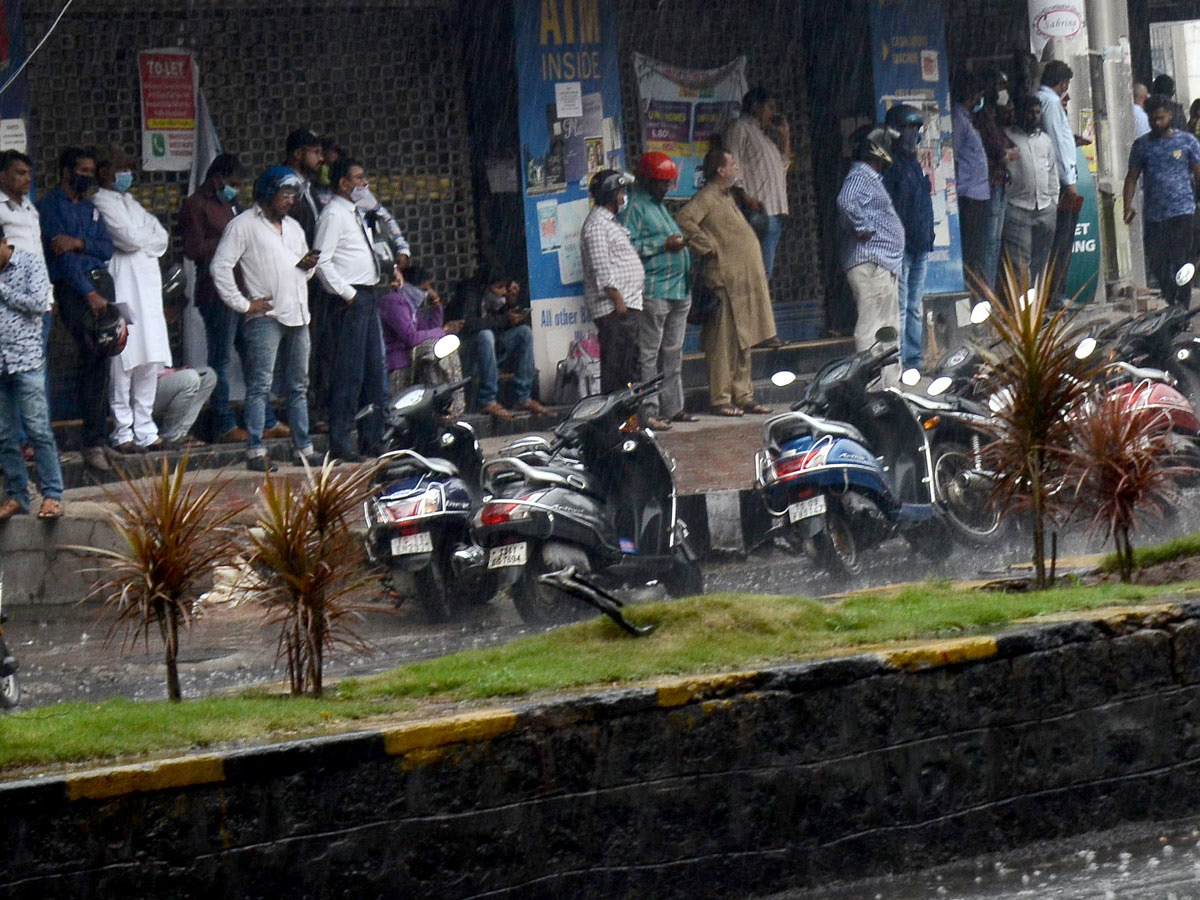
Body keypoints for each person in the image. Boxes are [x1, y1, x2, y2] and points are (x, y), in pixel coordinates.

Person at [210, 166, 319, 471]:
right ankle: (256, 450)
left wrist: (307, 265)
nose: (290, 200)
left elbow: (306, 269)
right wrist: (243, 304)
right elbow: (220, 267)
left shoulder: (295, 227)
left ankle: (304, 448)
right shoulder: (242, 225)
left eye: (293, 195)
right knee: (260, 385)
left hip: (297, 312)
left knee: (299, 385)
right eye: (285, 194)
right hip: (266, 315)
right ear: (269, 192)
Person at [181, 152, 287, 444]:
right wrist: (230, 242)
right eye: (232, 183)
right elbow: (193, 249)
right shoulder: (196, 205)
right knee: (221, 358)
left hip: (243, 291)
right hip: (216, 292)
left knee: (253, 357)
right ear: (217, 178)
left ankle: (264, 419)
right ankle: (223, 423)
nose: (235, 189)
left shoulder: (230, 205)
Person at [676, 148, 776, 417]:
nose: (736, 168)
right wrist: (706, 247)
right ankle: (721, 398)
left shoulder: (726, 196)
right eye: (732, 164)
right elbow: (685, 220)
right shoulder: (707, 196)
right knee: (722, 344)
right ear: (720, 170)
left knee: (745, 341)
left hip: (740, 283)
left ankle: (744, 395)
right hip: (723, 281)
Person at [37, 146, 115, 472]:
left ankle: (98, 438)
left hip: (101, 286)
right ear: (66, 171)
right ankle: (91, 442)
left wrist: (80, 242)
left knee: (103, 358)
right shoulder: (50, 206)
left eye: (90, 171)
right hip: (74, 291)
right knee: (91, 354)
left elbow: (106, 247)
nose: (87, 177)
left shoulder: (91, 208)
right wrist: (87, 294)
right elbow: (62, 257)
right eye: (82, 171)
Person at [92, 147, 171, 453]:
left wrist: (141, 236)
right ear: (105, 172)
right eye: (121, 166)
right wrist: (142, 236)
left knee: (149, 361)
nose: (127, 172)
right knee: (122, 362)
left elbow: (161, 237)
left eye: (129, 166)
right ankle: (123, 431)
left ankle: (146, 430)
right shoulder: (100, 201)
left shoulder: (131, 202)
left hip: (149, 295)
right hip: (123, 289)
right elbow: (129, 239)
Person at [313, 157, 388, 462]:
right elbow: (321, 260)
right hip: (351, 300)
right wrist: (347, 294)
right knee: (349, 374)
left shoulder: (355, 213)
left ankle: (373, 439)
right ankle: (341, 440)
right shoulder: (333, 214)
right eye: (358, 179)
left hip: (368, 296)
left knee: (373, 373)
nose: (363, 184)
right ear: (342, 183)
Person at [620, 152, 694, 428]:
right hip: (655, 289)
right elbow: (627, 249)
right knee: (650, 354)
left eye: (668, 183)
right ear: (648, 181)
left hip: (678, 289)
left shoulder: (659, 205)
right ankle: (649, 410)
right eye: (662, 183)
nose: (666, 188)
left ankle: (674, 407)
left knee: (673, 352)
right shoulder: (635, 208)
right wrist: (662, 246)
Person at [0, 225, 62, 519]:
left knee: (38, 431)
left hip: (26, 361)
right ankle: (18, 495)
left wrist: (1, 289)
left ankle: (52, 496)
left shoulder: (30, 263)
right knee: (3, 435)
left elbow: (40, 304)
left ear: (4, 242)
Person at [1123, 94, 1200, 308]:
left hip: (1182, 212)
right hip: (1155, 214)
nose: (1157, 123)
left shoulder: (1187, 141)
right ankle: (1169, 295)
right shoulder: (1142, 145)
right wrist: (1127, 206)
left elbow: (1198, 171)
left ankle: (1182, 305)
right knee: (1157, 261)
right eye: (1153, 119)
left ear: (1170, 116)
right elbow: (1132, 177)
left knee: (1181, 260)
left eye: (1161, 118)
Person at [0, 151, 53, 456]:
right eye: (19, 173)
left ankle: (35, 437)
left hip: (37, 300)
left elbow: (37, 256)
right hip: (9, 303)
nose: (27, 178)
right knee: (13, 373)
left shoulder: (29, 208)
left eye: (28, 173)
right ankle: (19, 440)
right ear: (3, 175)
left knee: (35, 370)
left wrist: (47, 295)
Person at [835, 126, 905, 355]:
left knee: (886, 328)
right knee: (872, 326)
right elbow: (846, 200)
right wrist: (862, 227)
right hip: (873, 262)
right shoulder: (861, 174)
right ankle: (871, 384)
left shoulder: (868, 176)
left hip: (880, 263)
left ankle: (888, 384)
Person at [581, 169, 645, 395]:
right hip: (615, 310)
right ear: (611, 195)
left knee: (629, 370)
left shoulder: (610, 223)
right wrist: (619, 302)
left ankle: (630, 422)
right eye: (621, 191)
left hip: (626, 307)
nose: (623, 196)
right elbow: (601, 268)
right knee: (617, 370)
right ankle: (616, 424)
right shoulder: (597, 225)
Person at [450, 272, 547, 419]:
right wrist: (505, 320)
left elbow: (506, 326)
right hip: (470, 356)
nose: (503, 292)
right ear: (486, 288)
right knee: (486, 335)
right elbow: (468, 324)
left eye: (505, 288)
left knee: (524, 332)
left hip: (494, 355)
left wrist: (513, 305)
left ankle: (523, 397)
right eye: (499, 287)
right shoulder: (470, 298)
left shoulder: (500, 302)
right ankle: (488, 400)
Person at [720, 86, 793, 279]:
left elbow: (783, 167)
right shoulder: (740, 128)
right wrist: (744, 197)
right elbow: (731, 164)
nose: (774, 113)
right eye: (770, 107)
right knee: (754, 274)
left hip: (773, 213)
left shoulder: (764, 139)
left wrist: (785, 136)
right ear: (755, 107)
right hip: (756, 211)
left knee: (763, 273)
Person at [882, 105, 934, 370]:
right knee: (900, 308)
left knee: (915, 307)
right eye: (907, 128)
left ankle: (914, 360)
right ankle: (898, 361)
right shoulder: (889, 167)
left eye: (915, 128)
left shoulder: (914, 164)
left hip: (921, 245)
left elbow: (923, 204)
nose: (912, 134)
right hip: (900, 248)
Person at [378, 264, 463, 407]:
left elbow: (430, 329)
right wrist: (444, 330)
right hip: (395, 360)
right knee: (435, 350)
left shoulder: (411, 307)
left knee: (444, 347)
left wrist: (436, 304)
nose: (425, 294)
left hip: (410, 359)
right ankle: (445, 403)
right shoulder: (393, 302)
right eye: (423, 290)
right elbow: (411, 337)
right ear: (408, 285)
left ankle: (447, 403)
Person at [1002, 94, 1060, 285]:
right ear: (1020, 113)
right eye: (1030, 113)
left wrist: (1053, 200)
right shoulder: (1008, 137)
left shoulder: (1044, 140)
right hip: (1017, 208)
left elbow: (1052, 171)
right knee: (1020, 265)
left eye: (1037, 113)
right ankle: (1023, 310)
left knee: (1041, 262)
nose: (1034, 117)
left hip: (1045, 208)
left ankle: (1037, 307)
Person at [975, 71, 1019, 288]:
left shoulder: (993, 117)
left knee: (995, 242)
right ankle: (986, 295)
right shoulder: (982, 117)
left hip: (1000, 184)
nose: (1004, 92)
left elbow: (1010, 147)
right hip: (991, 184)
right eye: (1000, 87)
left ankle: (989, 294)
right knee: (989, 243)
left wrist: (1008, 153)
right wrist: (1006, 154)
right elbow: (1001, 152)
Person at [952, 73, 991, 280]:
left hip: (978, 194)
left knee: (978, 251)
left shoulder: (968, 119)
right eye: (979, 95)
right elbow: (953, 154)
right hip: (969, 194)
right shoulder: (958, 118)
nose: (980, 100)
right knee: (972, 252)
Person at [153, 365, 216, 448]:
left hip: (158, 381)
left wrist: (173, 370)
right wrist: (173, 372)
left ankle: (180, 433)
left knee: (208, 376)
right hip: (142, 393)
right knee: (190, 378)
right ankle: (172, 436)